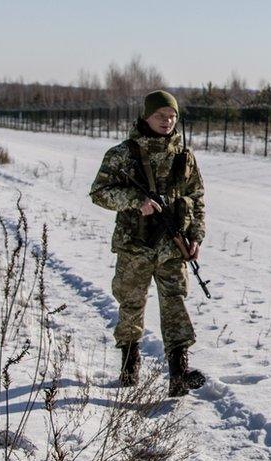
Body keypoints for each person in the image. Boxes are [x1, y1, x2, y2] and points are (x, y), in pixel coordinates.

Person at [90, 90, 206, 397]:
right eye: (160, 116)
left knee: (175, 303)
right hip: (135, 245)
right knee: (131, 304)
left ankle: (179, 372)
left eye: (172, 117)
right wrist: (135, 200)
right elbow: (99, 192)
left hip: (171, 246)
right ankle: (130, 363)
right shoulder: (123, 153)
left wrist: (195, 237)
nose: (167, 122)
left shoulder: (184, 156)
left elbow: (197, 198)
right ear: (146, 117)